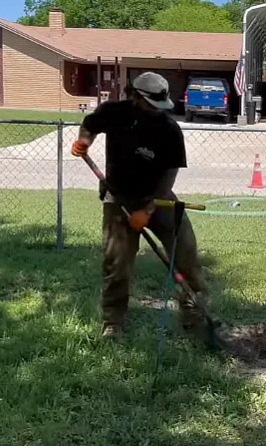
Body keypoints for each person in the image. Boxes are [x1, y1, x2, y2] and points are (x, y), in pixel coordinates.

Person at [71, 71, 211, 343]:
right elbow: (90, 124)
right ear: (134, 96)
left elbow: (169, 175)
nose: (156, 111)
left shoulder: (169, 129)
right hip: (118, 197)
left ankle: (195, 317)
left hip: (159, 197)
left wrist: (147, 210)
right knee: (117, 264)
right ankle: (113, 323)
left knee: (186, 255)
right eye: (150, 104)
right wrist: (84, 141)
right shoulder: (113, 112)